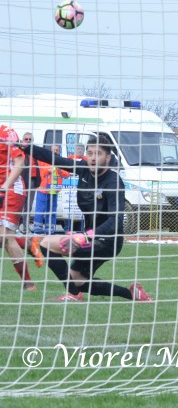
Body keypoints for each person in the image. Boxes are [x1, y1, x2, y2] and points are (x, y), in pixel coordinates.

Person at [23, 134, 152, 301]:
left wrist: (85, 236)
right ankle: (132, 293)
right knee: (76, 280)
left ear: (108, 158)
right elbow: (54, 158)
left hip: (107, 241)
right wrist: (25, 147)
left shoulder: (113, 182)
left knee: (46, 243)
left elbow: (115, 221)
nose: (92, 158)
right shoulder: (83, 169)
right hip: (89, 238)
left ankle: (73, 295)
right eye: (90, 153)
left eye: (98, 153)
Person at [0, 126, 38, 290]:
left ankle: (28, 284)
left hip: (11, 189)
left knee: (5, 237)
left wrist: (4, 188)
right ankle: (30, 245)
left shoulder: (6, 132)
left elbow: (20, 163)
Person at [31, 147, 70, 235]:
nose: (55, 151)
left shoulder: (61, 161)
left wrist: (59, 171)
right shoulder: (43, 159)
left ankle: (50, 231)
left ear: (59, 151)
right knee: (40, 210)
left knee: (52, 212)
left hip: (54, 191)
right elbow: (38, 170)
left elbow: (67, 174)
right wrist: (48, 170)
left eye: (57, 150)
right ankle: (37, 231)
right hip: (43, 189)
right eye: (54, 149)